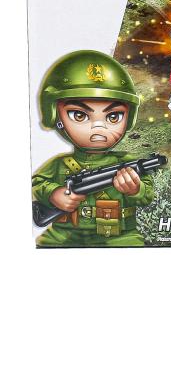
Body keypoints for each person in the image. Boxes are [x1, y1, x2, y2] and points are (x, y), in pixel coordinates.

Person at [31, 50, 153, 247]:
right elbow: (37, 183)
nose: (99, 127)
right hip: (65, 234)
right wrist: (54, 194)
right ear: (54, 114)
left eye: (113, 116)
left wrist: (135, 190)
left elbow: (147, 196)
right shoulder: (60, 164)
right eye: (79, 115)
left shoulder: (127, 163)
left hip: (118, 235)